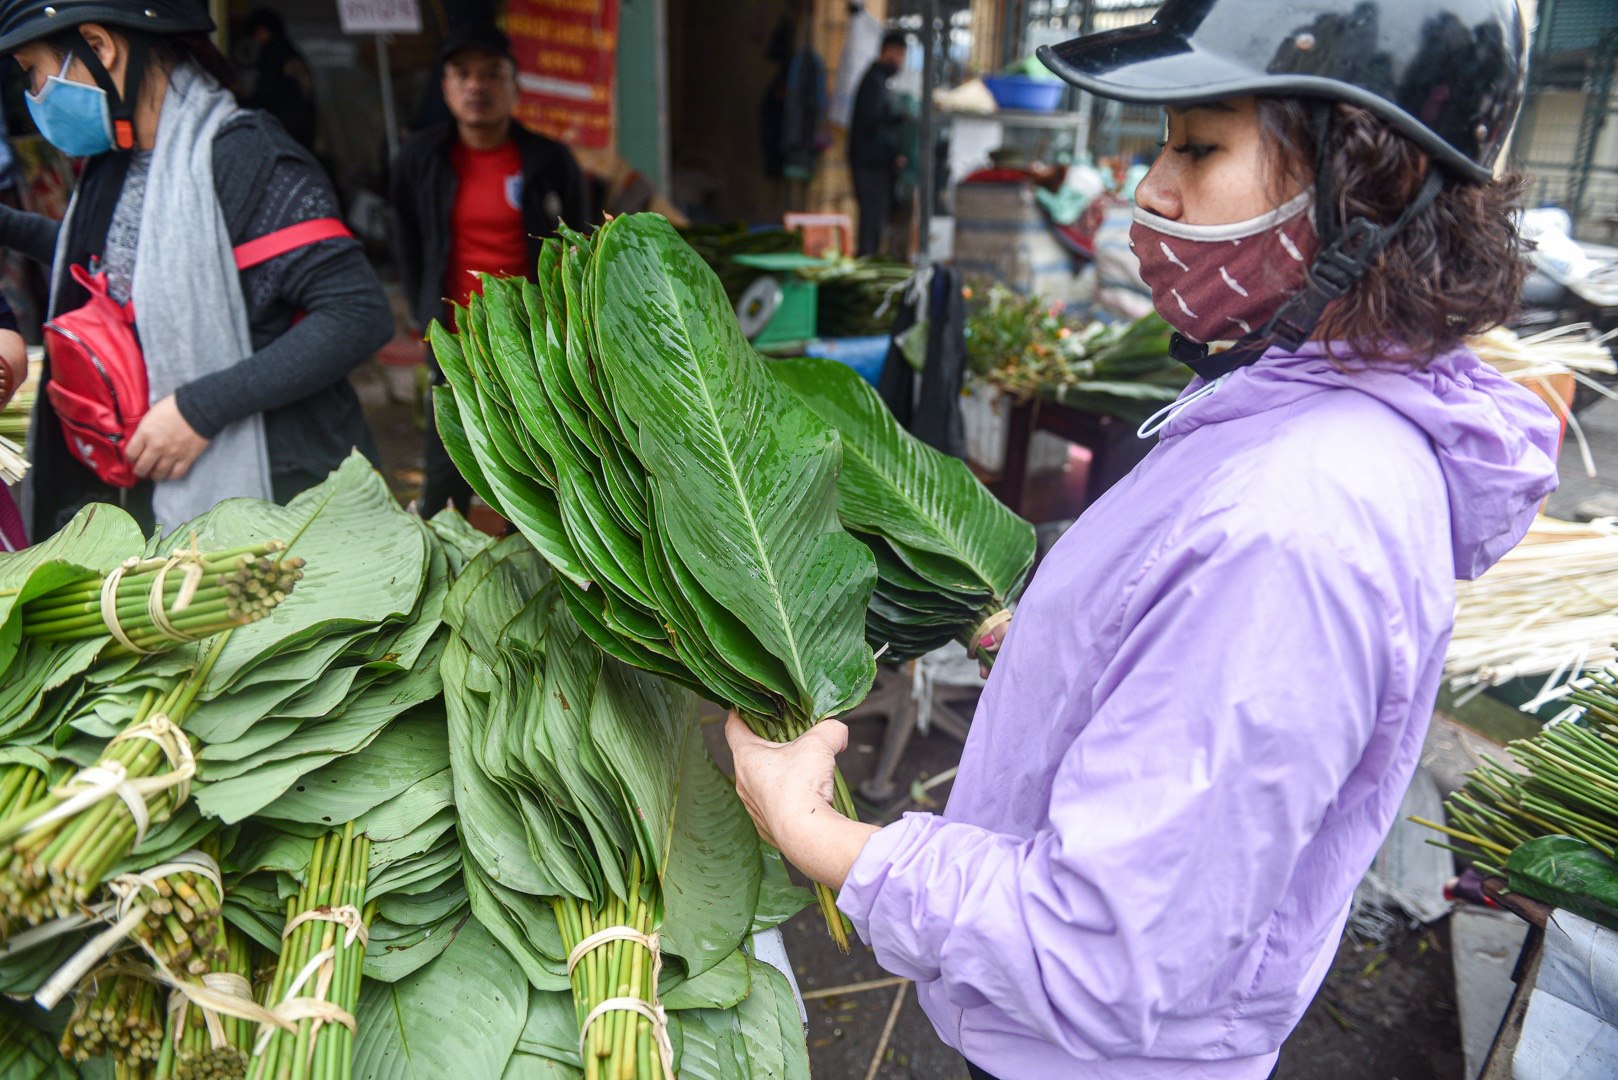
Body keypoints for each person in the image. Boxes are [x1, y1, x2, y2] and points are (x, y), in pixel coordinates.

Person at [727, 1, 1557, 1077]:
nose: (1149, 190)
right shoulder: (1294, 407)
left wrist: (809, 829)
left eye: (1198, 145)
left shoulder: (1293, 525)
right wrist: (1074, 647)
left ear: (1371, 188)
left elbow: (1092, 961)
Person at [0, 0, 392, 540]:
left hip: (287, 503)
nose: (35, 94)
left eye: (34, 71)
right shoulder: (118, 161)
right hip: (158, 499)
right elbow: (112, 264)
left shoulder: (251, 158)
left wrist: (197, 411)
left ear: (99, 46)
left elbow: (357, 313)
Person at [391, 24, 589, 520]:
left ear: (515, 86)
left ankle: (538, 565)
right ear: (445, 86)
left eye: (491, 74)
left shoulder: (550, 161)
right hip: (456, 337)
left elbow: (582, 247)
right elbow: (407, 243)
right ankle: (442, 564)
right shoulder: (421, 159)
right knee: (448, 462)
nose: (475, 86)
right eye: (462, 74)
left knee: (541, 460)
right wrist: (424, 318)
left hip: (535, 340)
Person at [847, 30, 906, 257]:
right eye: (898, 54)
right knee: (872, 224)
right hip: (869, 165)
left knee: (875, 222)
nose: (900, 60)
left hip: (876, 165)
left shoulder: (880, 81)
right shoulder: (874, 81)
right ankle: (866, 265)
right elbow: (871, 123)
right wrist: (896, 120)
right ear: (886, 51)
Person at [241, 8, 316, 151]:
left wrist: (245, 106)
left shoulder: (274, 51)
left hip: (285, 125)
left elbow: (268, 88)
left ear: (262, 30)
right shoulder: (290, 51)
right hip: (302, 126)